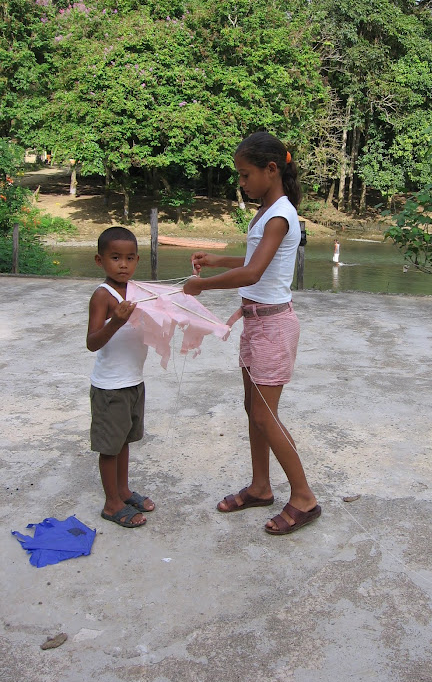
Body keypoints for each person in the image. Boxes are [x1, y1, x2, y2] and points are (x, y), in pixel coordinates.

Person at [183, 132, 321, 535]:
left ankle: (304, 498)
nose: (241, 183)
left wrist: (201, 285)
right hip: (257, 322)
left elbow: (254, 272)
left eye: (245, 175)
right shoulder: (267, 212)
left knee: (265, 414)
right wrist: (215, 261)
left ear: (271, 169)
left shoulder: (280, 214)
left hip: (273, 326)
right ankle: (261, 487)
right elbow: (254, 258)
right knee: (254, 412)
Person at [87, 227, 155, 528]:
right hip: (110, 386)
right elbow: (92, 341)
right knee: (110, 447)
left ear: (137, 260)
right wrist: (116, 321)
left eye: (129, 258)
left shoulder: (137, 292)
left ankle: (124, 490)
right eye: (115, 258)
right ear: (100, 261)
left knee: (125, 440)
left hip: (133, 381)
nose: (123, 265)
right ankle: (112, 504)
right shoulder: (103, 296)